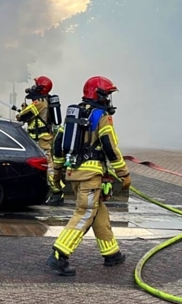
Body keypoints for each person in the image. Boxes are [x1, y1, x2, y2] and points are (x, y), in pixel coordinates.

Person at [48, 76, 131, 276]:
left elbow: (58, 146)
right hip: (91, 176)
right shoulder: (101, 116)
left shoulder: (73, 115)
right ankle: (59, 254)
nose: (108, 99)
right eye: (107, 95)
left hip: (74, 173)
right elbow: (110, 147)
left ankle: (111, 253)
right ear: (98, 95)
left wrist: (58, 172)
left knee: (98, 212)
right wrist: (124, 174)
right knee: (84, 213)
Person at [14, 76, 65, 204]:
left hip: (41, 140)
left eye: (36, 85)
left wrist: (23, 111)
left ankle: (57, 192)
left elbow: (22, 117)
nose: (33, 87)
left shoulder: (40, 103)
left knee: (48, 167)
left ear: (41, 87)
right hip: (40, 139)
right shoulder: (42, 101)